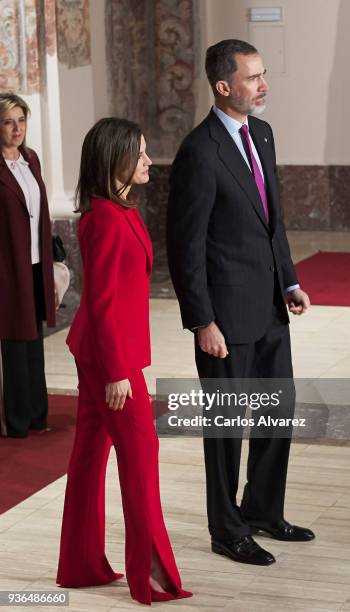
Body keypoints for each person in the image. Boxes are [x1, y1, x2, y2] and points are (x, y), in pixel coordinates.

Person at [167, 39, 315, 566]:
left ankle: (262, 511)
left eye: (263, 75)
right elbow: (185, 247)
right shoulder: (199, 151)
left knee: (278, 415)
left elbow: (271, 220)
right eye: (253, 78)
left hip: (271, 309)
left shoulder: (264, 135)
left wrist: (290, 281)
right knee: (227, 430)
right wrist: (201, 320)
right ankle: (226, 529)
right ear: (223, 85)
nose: (264, 86)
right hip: (225, 322)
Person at [56, 118, 192, 605]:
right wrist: (116, 370)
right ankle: (151, 574)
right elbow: (101, 302)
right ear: (115, 159)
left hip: (102, 349)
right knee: (140, 458)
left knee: (90, 456)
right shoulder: (105, 219)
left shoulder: (120, 209)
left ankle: (80, 564)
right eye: (140, 154)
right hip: (109, 356)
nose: (149, 160)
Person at [0, 92, 55, 438]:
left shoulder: (30, 159)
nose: (16, 128)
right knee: (15, 342)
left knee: (35, 340)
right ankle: (16, 420)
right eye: (8, 121)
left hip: (36, 263)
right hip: (7, 268)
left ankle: (37, 415)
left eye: (21, 120)